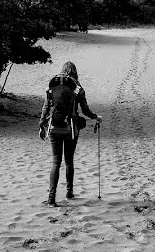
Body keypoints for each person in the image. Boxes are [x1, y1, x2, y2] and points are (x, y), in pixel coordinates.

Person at [38, 61, 101, 207]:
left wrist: (41, 124)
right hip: (71, 128)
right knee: (69, 161)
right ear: (75, 72)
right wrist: (95, 117)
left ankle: (51, 198)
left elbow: (46, 107)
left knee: (55, 162)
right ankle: (69, 192)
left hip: (53, 128)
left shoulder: (52, 86)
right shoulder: (77, 88)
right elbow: (85, 110)